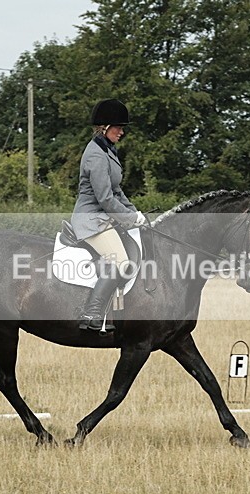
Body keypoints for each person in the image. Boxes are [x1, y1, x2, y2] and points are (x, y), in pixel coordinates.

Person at [70, 98, 147, 332]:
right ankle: (91, 313)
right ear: (104, 127)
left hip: (104, 219)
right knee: (121, 262)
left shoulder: (108, 151)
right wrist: (130, 219)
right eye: (118, 128)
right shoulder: (95, 155)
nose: (122, 132)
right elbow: (104, 198)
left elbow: (117, 191)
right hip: (91, 220)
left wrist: (135, 213)